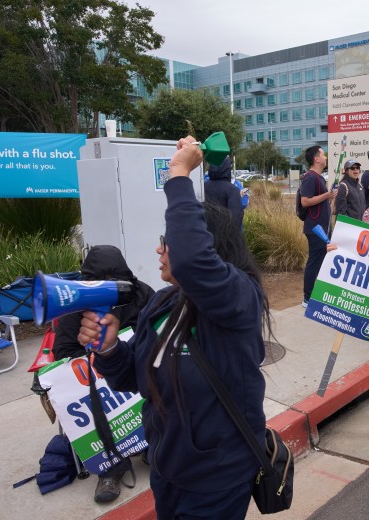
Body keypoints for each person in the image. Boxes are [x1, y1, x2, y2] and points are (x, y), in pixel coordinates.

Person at [78, 136, 271, 520]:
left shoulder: (238, 300)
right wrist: (110, 349)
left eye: (166, 243)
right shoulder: (162, 303)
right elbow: (135, 378)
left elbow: (194, 261)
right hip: (168, 471)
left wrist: (179, 173)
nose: (159, 251)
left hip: (218, 477)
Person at [52, 244, 155, 504]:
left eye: (115, 281)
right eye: (101, 282)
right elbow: (63, 351)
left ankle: (150, 444)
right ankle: (110, 468)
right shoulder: (76, 302)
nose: (109, 287)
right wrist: (98, 353)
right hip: (95, 378)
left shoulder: (141, 293)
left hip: (132, 372)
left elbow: (154, 335)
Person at [300, 145, 336, 308]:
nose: (326, 157)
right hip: (316, 228)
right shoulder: (311, 178)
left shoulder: (319, 177)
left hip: (322, 227)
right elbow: (305, 201)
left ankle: (314, 294)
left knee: (321, 261)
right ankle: (307, 298)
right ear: (316, 158)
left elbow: (320, 202)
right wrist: (327, 195)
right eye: (323, 154)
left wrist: (330, 198)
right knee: (314, 262)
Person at [204, 156, 244, 231]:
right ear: (227, 169)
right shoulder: (232, 189)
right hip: (225, 236)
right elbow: (236, 216)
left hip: (206, 233)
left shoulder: (202, 186)